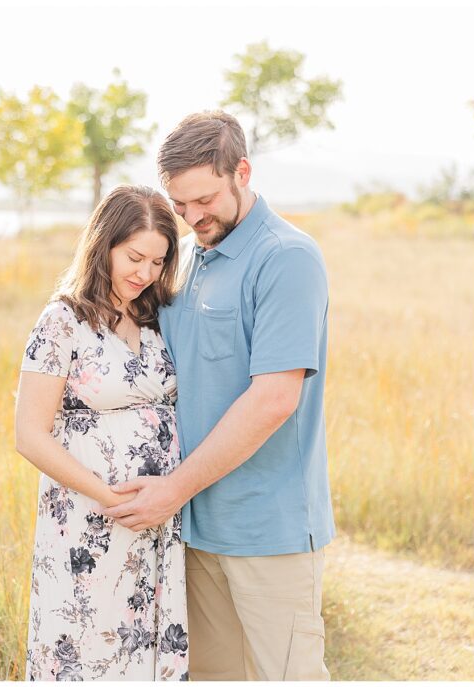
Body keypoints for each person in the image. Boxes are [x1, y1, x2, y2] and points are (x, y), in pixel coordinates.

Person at [101, 110, 334, 681]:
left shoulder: (286, 258)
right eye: (180, 204)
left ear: (243, 172)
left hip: (266, 529)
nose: (191, 216)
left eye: (203, 199)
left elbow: (274, 399)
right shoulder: (185, 258)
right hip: (195, 526)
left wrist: (170, 490)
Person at [15, 185, 189, 681]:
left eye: (158, 262)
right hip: (89, 522)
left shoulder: (158, 319)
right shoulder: (62, 321)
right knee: (87, 654)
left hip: (157, 523)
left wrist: (159, 500)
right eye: (135, 257)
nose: (145, 273)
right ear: (104, 244)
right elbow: (29, 434)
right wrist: (112, 498)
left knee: (144, 654)